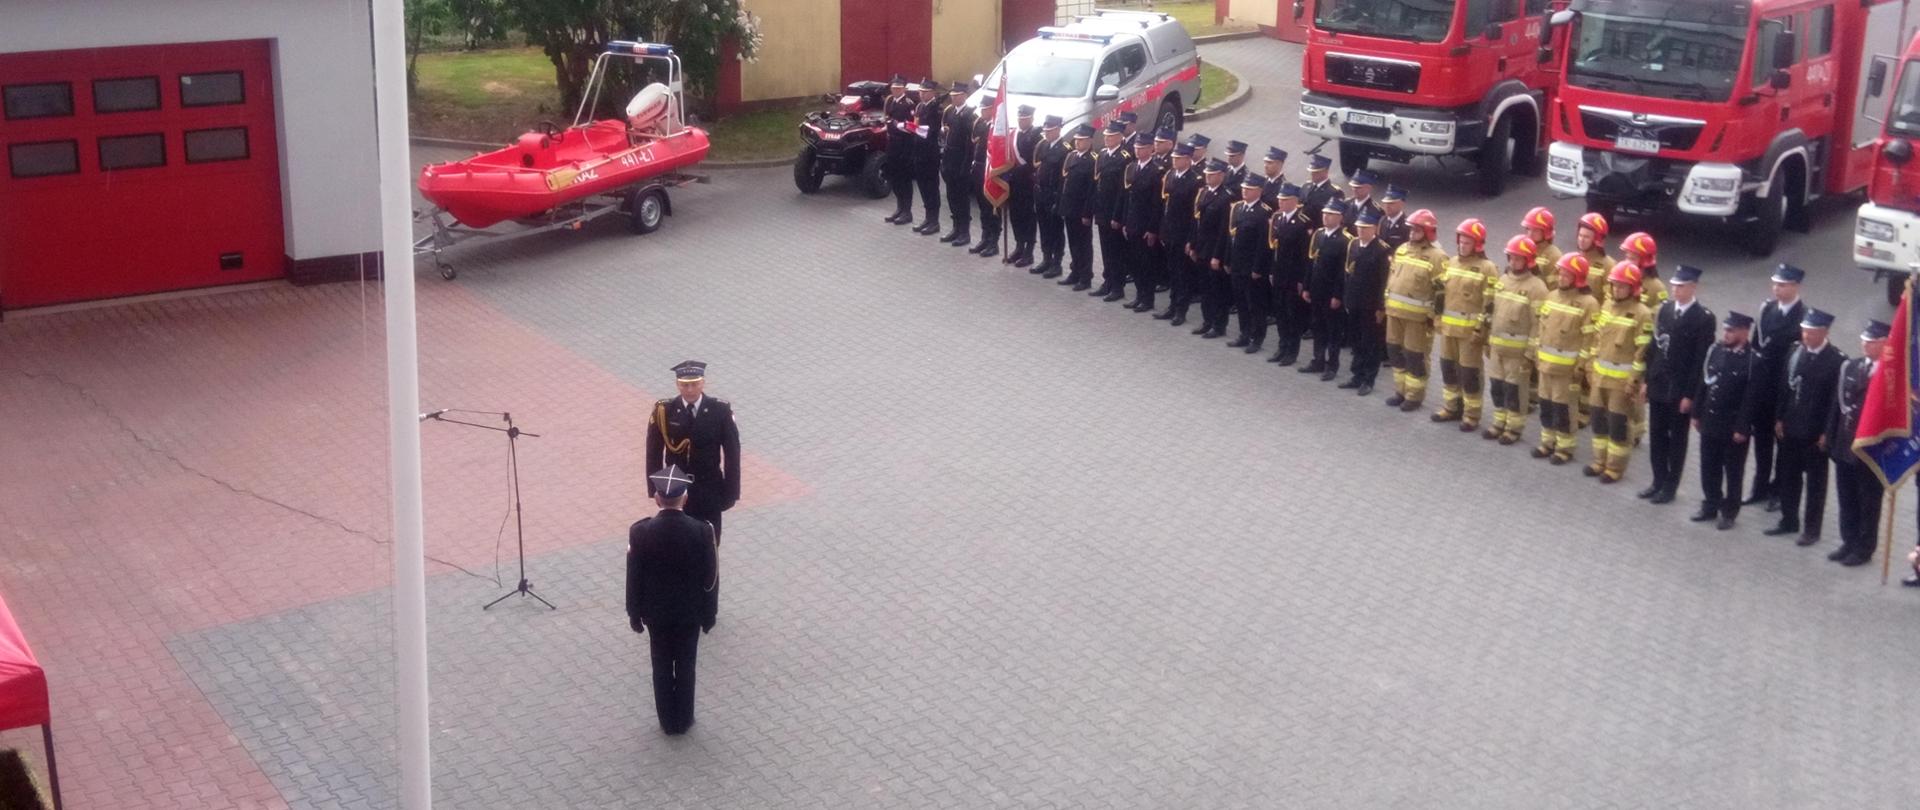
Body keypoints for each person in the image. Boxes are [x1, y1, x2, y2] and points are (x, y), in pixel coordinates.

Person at [627, 463, 719, 736]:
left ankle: (667, 720)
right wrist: (709, 615)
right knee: (687, 664)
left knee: (661, 665)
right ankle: (685, 718)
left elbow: (634, 578)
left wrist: (634, 614)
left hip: (656, 614)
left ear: (657, 498)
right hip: (689, 613)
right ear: (685, 498)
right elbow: (710, 579)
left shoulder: (640, 532)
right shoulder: (702, 531)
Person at [1766, 308, 1845, 546]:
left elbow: (1835, 403)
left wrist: (1827, 433)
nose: (1806, 336)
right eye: (1804, 331)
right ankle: (1788, 519)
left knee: (1816, 484)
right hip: (1791, 426)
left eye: (1811, 332)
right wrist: (1779, 417)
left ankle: (1812, 529)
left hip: (1815, 433)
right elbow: (1785, 387)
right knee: (1789, 476)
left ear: (1824, 332)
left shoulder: (1836, 360)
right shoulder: (1795, 351)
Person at [1639, 265, 1715, 504]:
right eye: (1674, 285)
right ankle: (1657, 480)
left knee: (1677, 440)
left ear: (1693, 287)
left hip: (1680, 389)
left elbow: (1700, 360)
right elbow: (1654, 348)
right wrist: (1646, 380)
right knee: (1657, 435)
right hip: (1659, 384)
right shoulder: (1665, 310)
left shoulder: (1703, 318)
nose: (1675, 290)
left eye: (1681, 286)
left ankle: (1670, 486)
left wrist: (1690, 395)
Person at [646, 361, 742, 543]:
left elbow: (732, 455)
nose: (689, 390)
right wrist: (655, 489)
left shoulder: (720, 411)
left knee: (710, 542)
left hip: (709, 487)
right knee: (677, 544)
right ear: (677, 384)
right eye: (684, 385)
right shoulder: (664, 410)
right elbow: (653, 453)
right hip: (675, 490)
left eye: (694, 384)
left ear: (703, 383)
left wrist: (731, 493)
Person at [1585, 262, 1656, 483]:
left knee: (1618, 426)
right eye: (1615, 285)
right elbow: (1597, 339)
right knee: (1598, 422)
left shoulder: (1642, 314)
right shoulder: (1606, 306)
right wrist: (1590, 366)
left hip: (1621, 383)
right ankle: (1599, 461)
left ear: (1633, 289)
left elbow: (1641, 353)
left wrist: (1633, 381)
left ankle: (1615, 468)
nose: (1617, 290)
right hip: (1599, 378)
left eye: (1622, 286)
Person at [1691, 312, 1760, 530]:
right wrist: (1696, 412)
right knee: (1708, 466)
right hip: (1711, 419)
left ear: (1744, 332)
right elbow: (1705, 382)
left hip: (1733, 426)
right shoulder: (1716, 350)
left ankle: (1730, 511)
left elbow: (1751, 398)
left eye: (1731, 331)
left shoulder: (1753, 360)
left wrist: (1743, 427)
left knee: (1733, 471)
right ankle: (1710, 504)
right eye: (1725, 330)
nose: (1726, 334)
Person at [1747, 264, 1808, 512]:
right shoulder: (1767, 309)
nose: (1776, 289)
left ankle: (1779, 490)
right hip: (1764, 387)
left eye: (1782, 285)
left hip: (1785, 390)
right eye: (1775, 284)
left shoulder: (1804, 317)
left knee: (1783, 444)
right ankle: (1760, 486)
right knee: (1762, 440)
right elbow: (1756, 346)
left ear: (1795, 286)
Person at [1828, 319, 1889, 566]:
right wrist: (1831, 438)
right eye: (1864, 341)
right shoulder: (1851, 366)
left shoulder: (1891, 376)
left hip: (1871, 451)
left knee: (1868, 502)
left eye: (1872, 342)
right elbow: (1837, 407)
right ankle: (1848, 541)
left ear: (1885, 344)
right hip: (1846, 444)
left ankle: (1864, 548)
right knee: (1847, 497)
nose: (1865, 345)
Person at [1533, 254, 1600, 465]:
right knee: (1546, 405)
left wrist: (1581, 366)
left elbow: (1590, 339)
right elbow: (1542, 328)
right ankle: (1547, 442)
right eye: (1560, 273)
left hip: (1567, 370)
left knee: (1563, 409)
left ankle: (1565, 448)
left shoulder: (1589, 304)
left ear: (1578, 278)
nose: (1561, 277)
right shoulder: (1551, 296)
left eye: (1567, 275)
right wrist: (1536, 353)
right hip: (1545, 365)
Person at [1484, 235, 1551, 443]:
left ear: (1528, 260)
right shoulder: (1503, 281)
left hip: (1518, 353)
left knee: (1515, 391)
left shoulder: (1537, 288)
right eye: (1511, 257)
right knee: (1497, 387)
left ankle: (1513, 428)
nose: (1513, 262)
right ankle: (1498, 423)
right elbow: (1494, 312)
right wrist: (1488, 339)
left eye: (1518, 258)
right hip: (1498, 348)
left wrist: (1530, 354)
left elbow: (1538, 324)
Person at [1431, 218, 1496, 430]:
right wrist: (1437, 317)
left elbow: (1490, 303)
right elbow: (1440, 294)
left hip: (1470, 333)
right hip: (1449, 330)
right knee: (1448, 369)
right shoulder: (1451, 263)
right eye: (1460, 241)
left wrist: (1482, 330)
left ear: (1478, 244)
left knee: (1470, 374)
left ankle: (1471, 415)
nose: (1462, 245)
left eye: (1467, 242)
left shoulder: (1487, 268)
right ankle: (1451, 407)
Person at [1381, 208, 1446, 412]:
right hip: (1395, 314)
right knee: (1395, 352)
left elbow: (1441, 292)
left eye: (1417, 230)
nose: (1411, 233)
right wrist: (1386, 304)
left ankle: (1414, 396)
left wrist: (1433, 317)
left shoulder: (1438, 257)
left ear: (1428, 232)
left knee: (1415, 357)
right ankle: (1400, 391)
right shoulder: (1402, 249)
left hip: (1418, 319)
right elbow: (1391, 279)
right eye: (1411, 229)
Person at [1342, 210, 1393, 395]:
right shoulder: (1354, 244)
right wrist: (1347, 299)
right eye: (1359, 227)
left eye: (1365, 228)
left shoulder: (1382, 249)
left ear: (1374, 229)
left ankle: (1368, 379)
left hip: (1371, 305)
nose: (1361, 230)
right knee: (1356, 340)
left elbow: (1384, 281)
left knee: (1371, 342)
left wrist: (1381, 307)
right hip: (1355, 301)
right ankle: (1357, 375)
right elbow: (1349, 274)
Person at [1265, 182, 1315, 366]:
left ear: (1294, 201)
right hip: (1279, 273)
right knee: (1280, 313)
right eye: (1280, 199)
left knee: (1292, 315)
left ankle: (1292, 352)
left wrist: (1302, 280)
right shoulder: (1278, 218)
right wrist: (1272, 271)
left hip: (1293, 276)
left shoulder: (1303, 222)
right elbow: (1275, 249)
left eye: (1285, 200)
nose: (1281, 202)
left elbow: (1305, 256)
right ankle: (1282, 347)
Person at [1224, 174, 1274, 353]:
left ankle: (1257, 338)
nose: (1244, 191)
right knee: (1241, 302)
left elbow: (1264, 245)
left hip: (1252, 266)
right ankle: (1244, 334)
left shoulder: (1264, 212)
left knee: (1255, 304)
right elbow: (1231, 237)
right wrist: (1227, 259)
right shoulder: (1238, 208)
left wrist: (1258, 268)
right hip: (1237, 263)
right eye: (1244, 188)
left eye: (1249, 189)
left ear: (1259, 191)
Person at [1301, 202, 1351, 380]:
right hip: (1317, 289)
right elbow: (1311, 262)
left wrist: (1337, 295)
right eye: (1324, 213)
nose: (1325, 217)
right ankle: (1318, 360)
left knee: (1333, 331)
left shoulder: (1345, 240)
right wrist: (1306, 286)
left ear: (1340, 217)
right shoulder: (1319, 234)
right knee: (1318, 326)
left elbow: (1342, 272)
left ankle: (1332, 365)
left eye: (1330, 214)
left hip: (1331, 293)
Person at [1156, 142, 1201, 325]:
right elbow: (1165, 206)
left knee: (1183, 274)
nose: (1174, 161)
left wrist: (1191, 239)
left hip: (1183, 234)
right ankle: (1172, 306)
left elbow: (1195, 215)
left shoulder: (1195, 181)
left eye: (1178, 158)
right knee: (1173, 272)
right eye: (1174, 158)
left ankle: (1181, 310)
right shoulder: (1170, 175)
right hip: (1170, 232)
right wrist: (1162, 230)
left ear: (1188, 159)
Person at [1122, 131, 1167, 312]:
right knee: (1135, 263)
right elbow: (1128, 198)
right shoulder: (1133, 167)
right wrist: (1125, 222)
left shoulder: (1156, 171)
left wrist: (1152, 229)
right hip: (1132, 223)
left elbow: (1157, 204)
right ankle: (1139, 296)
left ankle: (1148, 299)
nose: (1138, 151)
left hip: (1146, 225)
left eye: (1141, 148)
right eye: (1136, 147)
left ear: (1150, 149)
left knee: (1146, 264)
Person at [1190, 159, 1234, 337]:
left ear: (1221, 175)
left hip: (1215, 250)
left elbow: (1224, 231)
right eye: (1207, 174)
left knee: (1217, 290)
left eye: (1212, 174)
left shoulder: (1226, 197)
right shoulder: (1205, 192)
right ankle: (1207, 321)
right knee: (1205, 288)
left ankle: (1219, 325)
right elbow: (1197, 222)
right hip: (1202, 247)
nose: (1208, 177)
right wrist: (1193, 245)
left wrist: (1217, 256)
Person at [1091, 122, 1132, 300]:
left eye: (1111, 136)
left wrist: (1117, 216)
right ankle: (1107, 281)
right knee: (1106, 249)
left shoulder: (1124, 158)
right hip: (1102, 210)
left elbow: (1123, 191)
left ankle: (1117, 286)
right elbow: (1097, 184)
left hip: (1114, 211)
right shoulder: (1102, 154)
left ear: (1120, 137)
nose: (1107, 138)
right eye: (1106, 135)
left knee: (1117, 250)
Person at [1057, 125, 1098, 290]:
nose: (1077, 142)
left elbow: (1091, 190)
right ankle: (1075, 272)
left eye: (1081, 140)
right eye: (1077, 140)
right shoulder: (1072, 156)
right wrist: (1062, 205)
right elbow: (1065, 183)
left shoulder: (1093, 160)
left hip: (1081, 209)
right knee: (1073, 242)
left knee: (1084, 244)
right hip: (1069, 207)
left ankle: (1085, 277)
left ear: (1089, 141)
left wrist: (1087, 213)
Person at [1001, 105, 1040, 267]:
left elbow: (1034, 162)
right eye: (1020, 118)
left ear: (1031, 119)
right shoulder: (1014, 134)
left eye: (1024, 119)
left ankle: (1029, 251)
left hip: (1027, 183)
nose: (1021, 121)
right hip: (1014, 183)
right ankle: (1019, 246)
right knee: (1015, 215)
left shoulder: (1036, 136)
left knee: (1028, 217)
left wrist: (1018, 170)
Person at [1030, 116, 1068, 277]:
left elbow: (1064, 178)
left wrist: (1059, 199)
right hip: (1041, 193)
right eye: (1045, 130)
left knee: (1056, 230)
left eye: (1049, 131)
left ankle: (1056, 263)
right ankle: (1046, 258)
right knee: (1044, 227)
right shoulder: (1043, 145)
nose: (1046, 133)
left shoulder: (1065, 149)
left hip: (1054, 195)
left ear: (1058, 129)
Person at [939, 83, 976, 246]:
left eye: (957, 95)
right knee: (951, 196)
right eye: (952, 96)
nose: (953, 98)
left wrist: (965, 166)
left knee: (962, 198)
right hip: (950, 159)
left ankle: (964, 232)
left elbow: (970, 144)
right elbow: (946, 134)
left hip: (962, 160)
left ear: (964, 96)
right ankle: (955, 228)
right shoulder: (950, 112)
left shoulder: (970, 115)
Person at [910, 79, 945, 235]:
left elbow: (932, 130)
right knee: (923, 186)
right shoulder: (919, 106)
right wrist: (912, 128)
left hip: (930, 152)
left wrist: (916, 129)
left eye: (925, 92)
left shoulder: (937, 108)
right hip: (919, 151)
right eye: (920, 91)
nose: (922, 94)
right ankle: (927, 218)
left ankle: (934, 221)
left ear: (932, 93)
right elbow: (916, 125)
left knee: (931, 187)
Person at [883, 76, 918, 225]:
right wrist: (892, 124)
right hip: (892, 144)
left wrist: (896, 125)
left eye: (898, 88)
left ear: (904, 89)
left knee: (904, 179)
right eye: (893, 88)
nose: (895, 90)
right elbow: (887, 119)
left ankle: (907, 211)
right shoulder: (890, 101)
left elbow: (911, 127)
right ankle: (899, 208)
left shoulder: (908, 104)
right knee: (895, 177)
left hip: (904, 145)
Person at [967, 104, 1002, 258]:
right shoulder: (980, 123)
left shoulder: (998, 128)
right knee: (982, 206)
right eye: (981, 109)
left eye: (985, 109)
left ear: (992, 110)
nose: (982, 112)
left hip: (991, 171)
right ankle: (985, 237)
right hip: (979, 167)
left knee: (992, 207)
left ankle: (994, 242)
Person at [1523, 207, 1562, 285]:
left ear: (1546, 232)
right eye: (1528, 229)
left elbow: (1553, 287)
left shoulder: (1554, 256)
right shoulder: (1523, 248)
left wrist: (1536, 273)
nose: (1530, 234)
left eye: (1535, 230)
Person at [1301, 154, 1340, 223]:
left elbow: (1333, 216)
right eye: (1312, 171)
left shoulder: (1334, 192)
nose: (1312, 174)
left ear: (1326, 171)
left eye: (1316, 172)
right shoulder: (1306, 186)